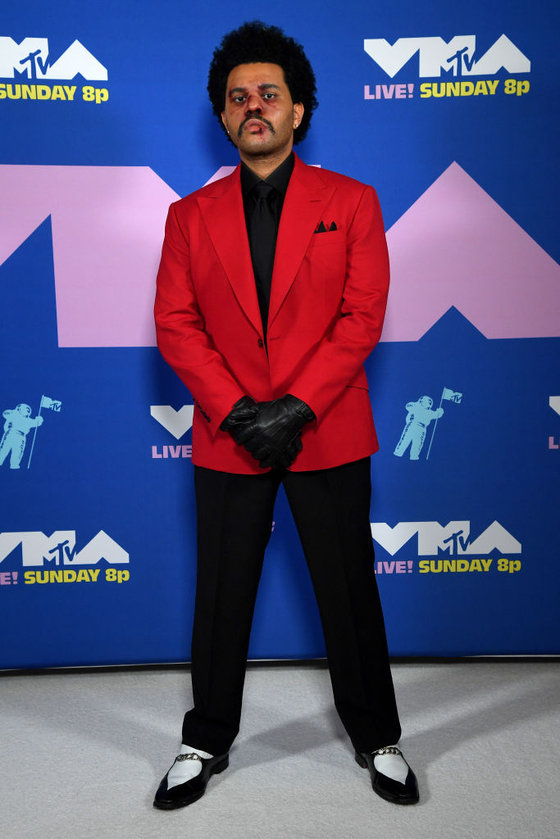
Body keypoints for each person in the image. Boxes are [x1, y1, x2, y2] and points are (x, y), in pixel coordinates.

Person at [153, 20, 419, 809]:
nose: (253, 107)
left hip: (327, 428)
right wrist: (242, 412)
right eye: (238, 98)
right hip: (230, 435)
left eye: (268, 93)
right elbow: (176, 324)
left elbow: (362, 316)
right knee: (220, 594)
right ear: (223, 116)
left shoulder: (353, 202)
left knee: (348, 590)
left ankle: (379, 737)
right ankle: (204, 738)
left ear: (298, 110)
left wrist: (295, 408)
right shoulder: (187, 217)